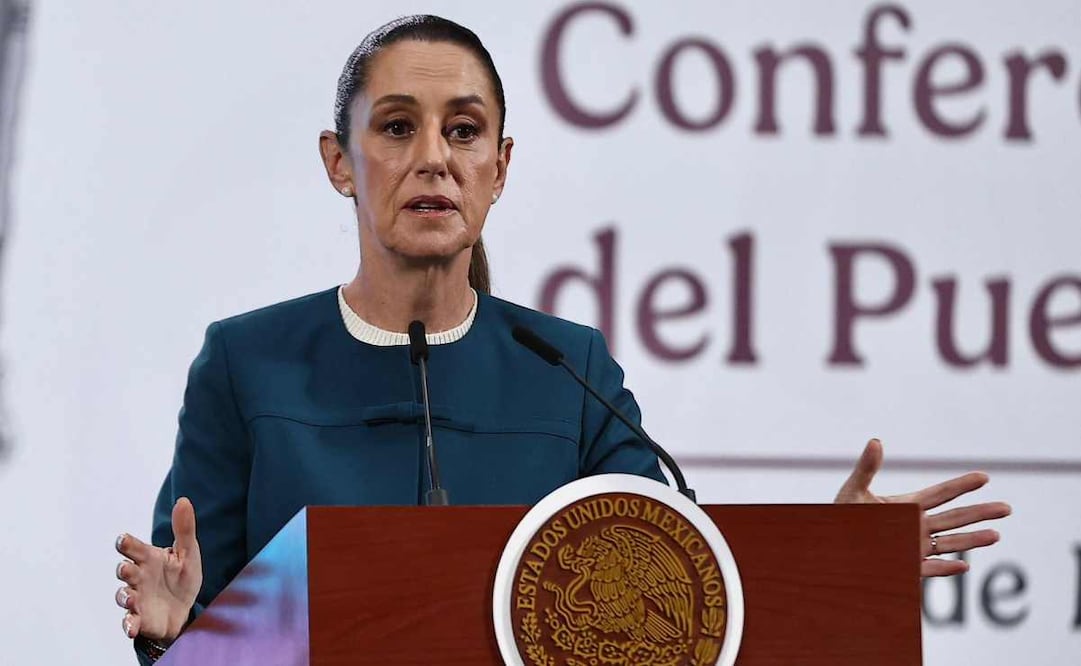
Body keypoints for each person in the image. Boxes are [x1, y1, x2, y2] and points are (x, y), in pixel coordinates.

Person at [112, 15, 1011, 663]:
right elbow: (200, 626)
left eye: (463, 132)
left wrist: (820, 560)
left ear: (499, 167)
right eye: (396, 128)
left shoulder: (567, 369)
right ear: (339, 161)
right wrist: (172, 628)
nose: (434, 157)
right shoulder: (246, 362)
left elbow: (669, 590)